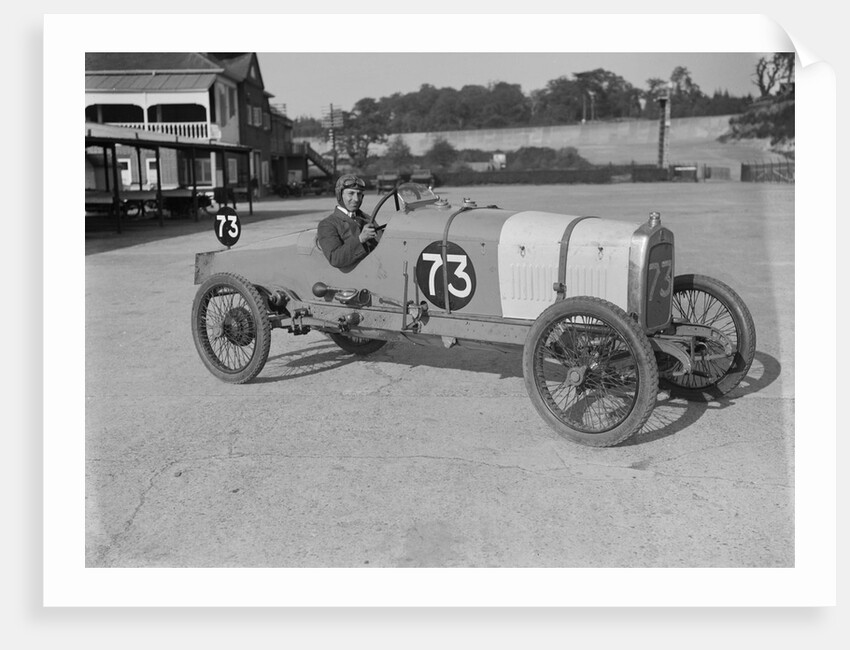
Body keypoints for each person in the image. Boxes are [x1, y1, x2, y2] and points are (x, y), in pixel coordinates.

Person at [316, 174, 380, 271]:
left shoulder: (367, 219)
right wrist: (360, 239)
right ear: (339, 195)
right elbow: (335, 258)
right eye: (351, 193)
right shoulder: (327, 224)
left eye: (359, 194)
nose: (356, 199)